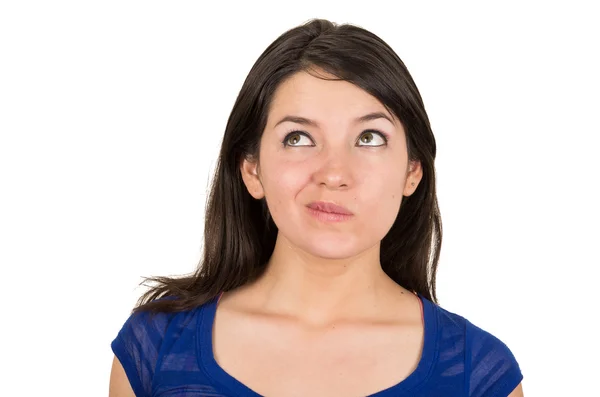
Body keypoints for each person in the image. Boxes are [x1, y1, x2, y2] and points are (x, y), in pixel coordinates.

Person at [109, 18, 524, 397]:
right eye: (298, 138)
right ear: (251, 169)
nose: (334, 173)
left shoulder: (479, 375)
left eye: (369, 138)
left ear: (412, 172)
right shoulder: (155, 349)